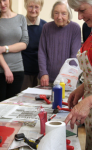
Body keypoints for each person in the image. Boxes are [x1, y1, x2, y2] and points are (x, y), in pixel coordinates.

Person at [0, 0, 29, 103]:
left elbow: (24, 43)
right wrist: (6, 69)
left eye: (4, 0)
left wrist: (4, 48)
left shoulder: (21, 18)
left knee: (13, 106)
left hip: (17, 69)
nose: (2, 4)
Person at [65, 0, 92, 149]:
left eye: (82, 10)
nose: (80, 17)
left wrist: (88, 101)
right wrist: (83, 87)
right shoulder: (89, 29)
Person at [38, 0, 81, 86]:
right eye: (56, 13)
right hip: (47, 78)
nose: (59, 17)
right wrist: (43, 73)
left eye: (63, 13)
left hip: (66, 80)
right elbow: (42, 51)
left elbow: (74, 56)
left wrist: (68, 77)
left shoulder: (75, 28)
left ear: (69, 14)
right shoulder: (46, 27)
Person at [21, 0, 47, 91]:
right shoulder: (20, 24)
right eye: (30, 6)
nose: (33, 10)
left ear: (40, 8)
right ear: (25, 6)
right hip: (24, 71)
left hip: (41, 72)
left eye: (36, 7)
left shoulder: (45, 26)